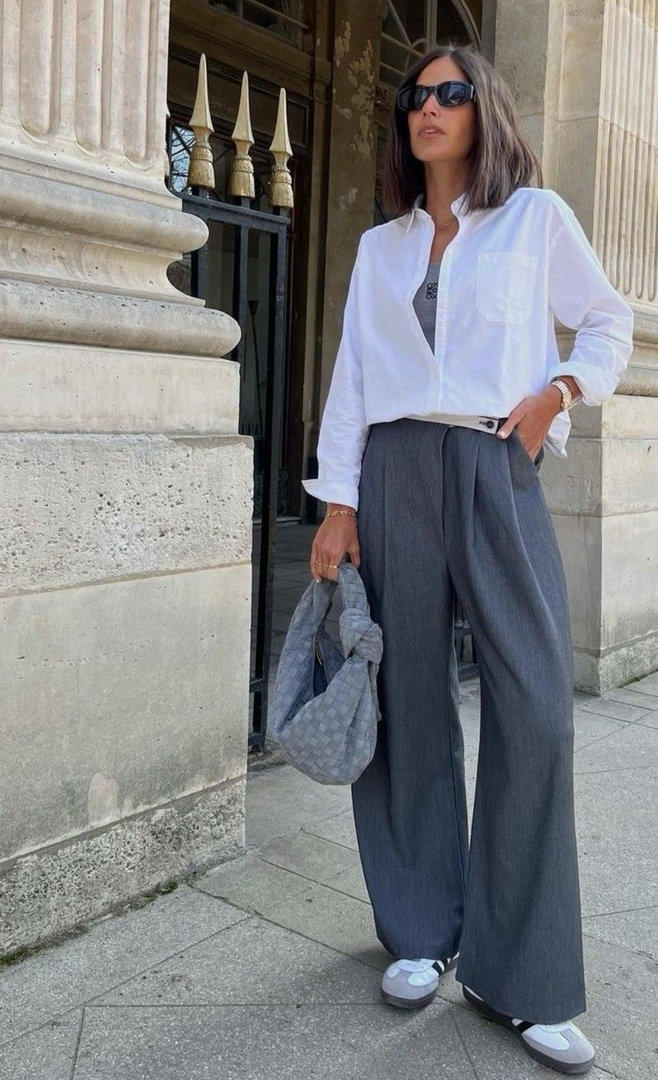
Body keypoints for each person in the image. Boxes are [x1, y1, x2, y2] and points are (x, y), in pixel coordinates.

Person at [301, 43, 634, 1076]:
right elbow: (354, 379)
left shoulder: (536, 218)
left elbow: (609, 320)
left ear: (484, 109)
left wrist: (559, 393)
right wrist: (337, 504)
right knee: (406, 699)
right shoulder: (381, 247)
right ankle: (420, 930)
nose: (428, 107)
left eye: (450, 92)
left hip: (495, 462)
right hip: (395, 469)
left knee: (534, 705)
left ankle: (524, 973)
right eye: (416, 95)